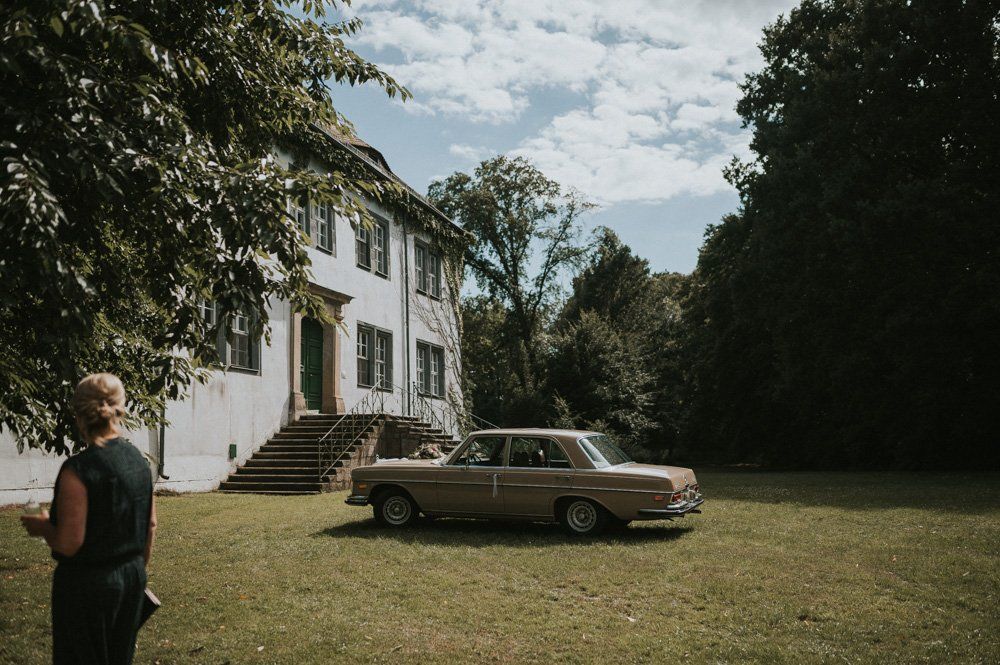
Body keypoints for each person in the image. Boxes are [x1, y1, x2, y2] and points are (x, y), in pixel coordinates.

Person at [21, 373, 157, 665]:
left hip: (88, 586)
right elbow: (151, 525)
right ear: (120, 407)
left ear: (78, 412)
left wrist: (43, 525)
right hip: (131, 576)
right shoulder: (139, 462)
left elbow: (70, 542)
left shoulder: (79, 470)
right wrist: (134, 571)